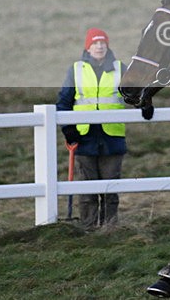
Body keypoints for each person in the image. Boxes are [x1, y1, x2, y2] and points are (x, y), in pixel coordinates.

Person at [57, 27, 129, 230]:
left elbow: (136, 94)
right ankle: (88, 229)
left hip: (112, 137)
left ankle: (110, 228)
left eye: (102, 43)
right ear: (88, 47)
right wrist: (68, 129)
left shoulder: (121, 68)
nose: (99, 46)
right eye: (95, 43)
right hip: (84, 138)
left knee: (110, 188)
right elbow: (63, 102)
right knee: (87, 190)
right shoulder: (76, 70)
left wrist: (145, 106)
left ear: (107, 45)